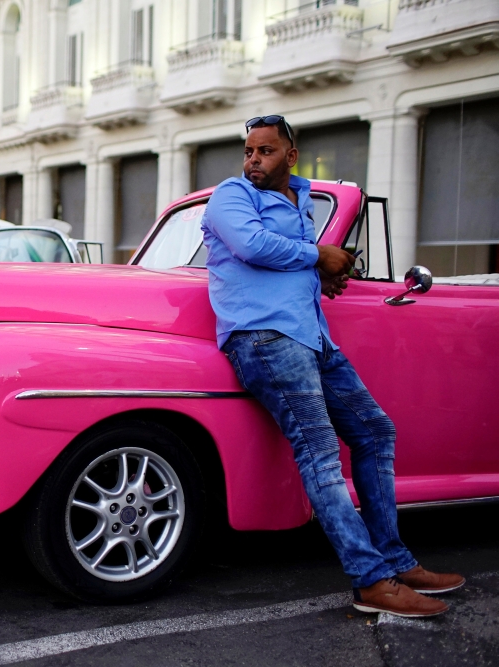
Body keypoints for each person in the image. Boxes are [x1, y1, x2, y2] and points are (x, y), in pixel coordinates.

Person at [201, 115, 464, 618]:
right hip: (264, 337)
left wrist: (319, 276)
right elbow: (252, 246)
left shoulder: (302, 198)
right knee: (319, 451)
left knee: (375, 430)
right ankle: (371, 581)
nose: (253, 160)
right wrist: (318, 255)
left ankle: (396, 560)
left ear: (291, 156)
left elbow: (290, 265)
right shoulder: (232, 195)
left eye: (266, 151)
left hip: (311, 335)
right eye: (249, 151)